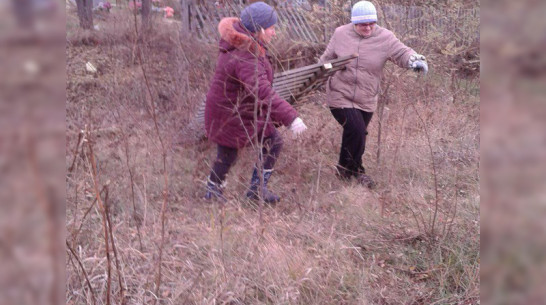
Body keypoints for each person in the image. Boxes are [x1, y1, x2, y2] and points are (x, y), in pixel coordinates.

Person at [204, 2, 308, 203]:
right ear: (259, 28)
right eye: (271, 28)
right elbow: (261, 90)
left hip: (245, 110)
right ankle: (212, 192)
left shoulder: (249, 45)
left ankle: (256, 190)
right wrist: (291, 117)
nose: (274, 33)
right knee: (228, 154)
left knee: (273, 142)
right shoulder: (245, 53)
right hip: (230, 114)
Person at [319, 0, 428, 188]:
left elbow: (401, 52)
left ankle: (343, 170)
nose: (368, 28)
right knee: (356, 129)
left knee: (355, 133)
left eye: (371, 23)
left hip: (367, 97)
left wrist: (413, 60)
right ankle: (357, 173)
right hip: (339, 93)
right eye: (363, 24)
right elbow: (326, 60)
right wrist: (325, 71)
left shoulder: (385, 37)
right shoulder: (340, 34)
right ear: (354, 22)